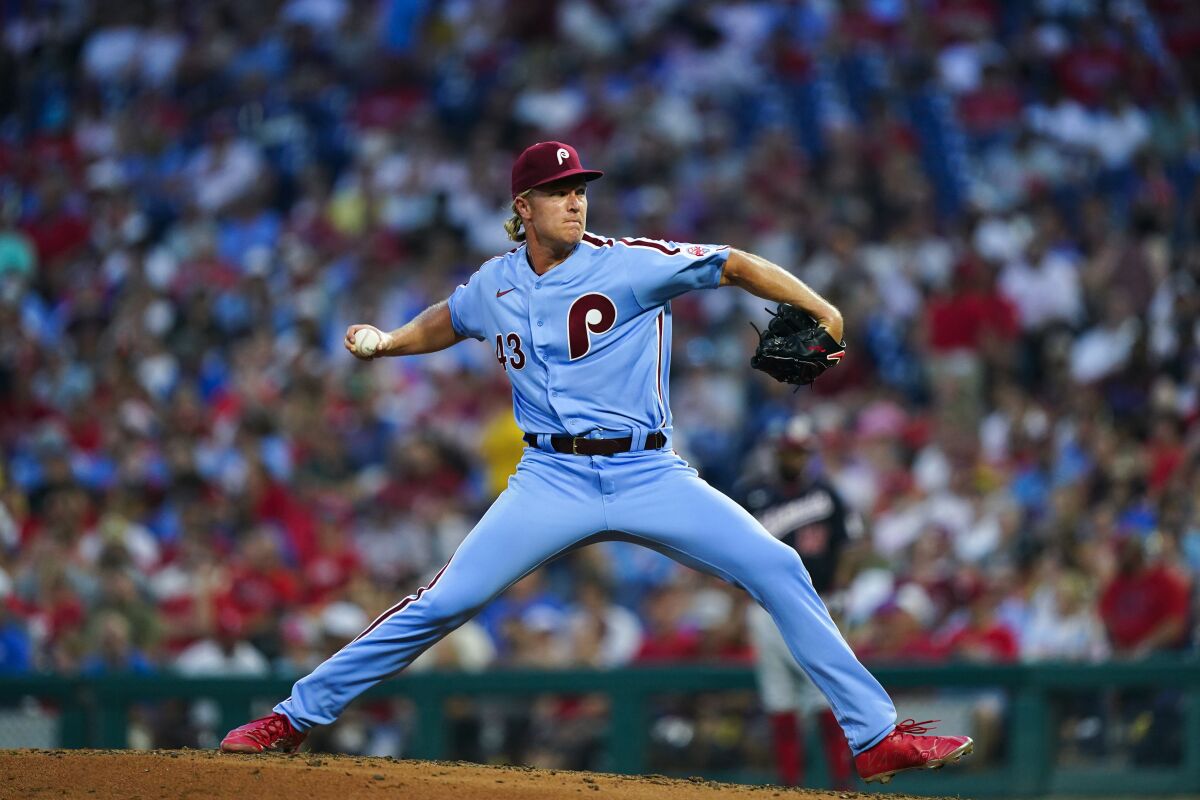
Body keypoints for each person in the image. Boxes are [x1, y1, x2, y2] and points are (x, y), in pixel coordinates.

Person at [219, 141, 973, 785]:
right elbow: (444, 322)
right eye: (558, 193)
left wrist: (825, 310)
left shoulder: (633, 264)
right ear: (524, 206)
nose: (575, 203)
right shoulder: (496, 282)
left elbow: (736, 264)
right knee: (444, 603)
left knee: (776, 566)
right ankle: (292, 718)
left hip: (650, 472)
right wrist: (387, 341)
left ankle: (873, 737)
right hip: (550, 477)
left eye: (579, 190)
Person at [740, 416, 861, 789]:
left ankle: (841, 787)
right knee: (779, 701)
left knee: (824, 698)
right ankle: (789, 787)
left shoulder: (826, 494)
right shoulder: (753, 496)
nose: (793, 459)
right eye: (787, 451)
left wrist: (839, 592)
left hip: (814, 603)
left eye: (799, 452)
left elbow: (849, 548)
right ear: (776, 452)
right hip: (766, 608)